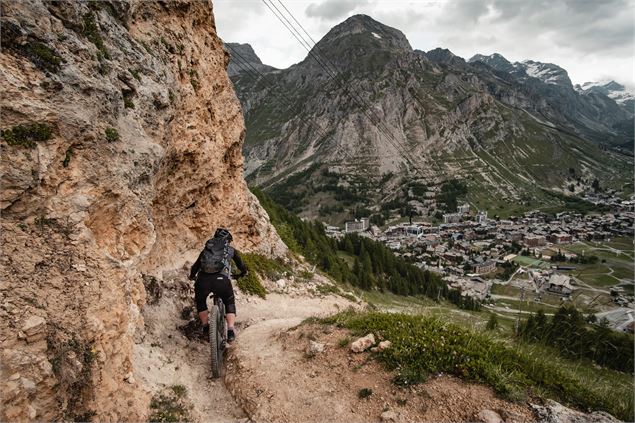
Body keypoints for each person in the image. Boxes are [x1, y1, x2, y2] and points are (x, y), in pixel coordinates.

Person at [189, 228, 248, 343]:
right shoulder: (230, 250)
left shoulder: (206, 250)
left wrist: (192, 277)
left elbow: (195, 267)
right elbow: (241, 265)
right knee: (229, 301)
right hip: (222, 280)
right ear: (228, 241)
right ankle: (230, 331)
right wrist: (244, 273)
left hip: (203, 280)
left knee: (201, 301)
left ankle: (206, 327)